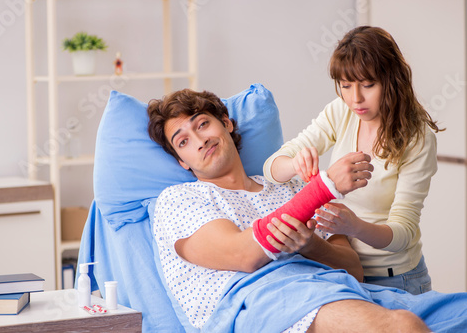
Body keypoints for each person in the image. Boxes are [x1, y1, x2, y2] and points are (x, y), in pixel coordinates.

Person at [147, 88, 466, 333]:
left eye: (203, 124)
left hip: (341, 288)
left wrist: (312, 245)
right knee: (402, 327)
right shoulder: (179, 199)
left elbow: (353, 268)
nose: (199, 140)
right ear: (181, 161)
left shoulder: (291, 186)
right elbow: (241, 255)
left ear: (227, 124)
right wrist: (326, 187)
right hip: (261, 302)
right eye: (183, 142)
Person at [263, 26, 442, 295]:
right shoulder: (341, 111)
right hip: (342, 269)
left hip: (395, 278)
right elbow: (271, 167)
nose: (355, 98)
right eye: (346, 86)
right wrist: (295, 163)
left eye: (368, 85)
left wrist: (354, 227)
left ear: (391, 80)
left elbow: (403, 233)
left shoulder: (418, 138)